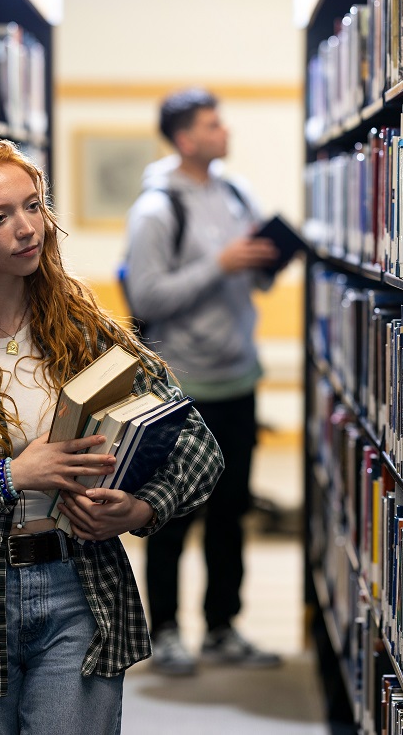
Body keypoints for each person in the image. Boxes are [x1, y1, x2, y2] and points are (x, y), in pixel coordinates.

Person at [0, 136, 224, 734]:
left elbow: (198, 446)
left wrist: (140, 509)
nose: (26, 228)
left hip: (78, 588)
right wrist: (13, 477)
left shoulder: (85, 333)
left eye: (33, 206)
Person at [123, 89, 283, 674]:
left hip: (237, 378)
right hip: (181, 390)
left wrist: (261, 264)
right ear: (186, 139)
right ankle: (164, 629)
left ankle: (222, 626)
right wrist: (220, 265)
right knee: (170, 513)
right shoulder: (157, 209)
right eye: (214, 125)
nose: (226, 132)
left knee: (230, 511)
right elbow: (147, 295)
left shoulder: (236, 193)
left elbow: (254, 278)